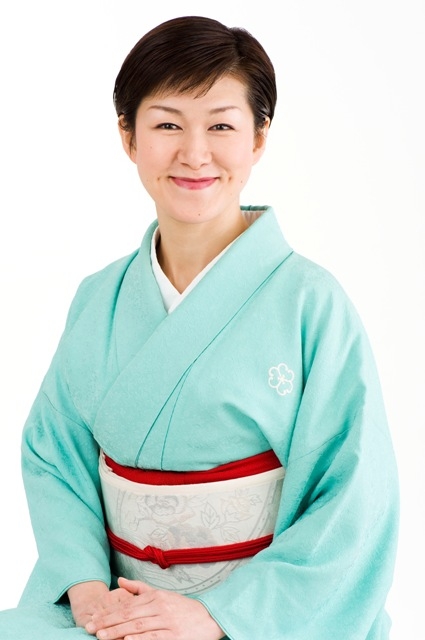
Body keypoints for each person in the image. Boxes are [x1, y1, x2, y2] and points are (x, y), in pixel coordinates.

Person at [0, 15, 398, 640]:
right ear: (128, 136)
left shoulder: (311, 304)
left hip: (263, 619)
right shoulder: (98, 299)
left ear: (259, 137)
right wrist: (87, 589)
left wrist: (215, 615)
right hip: (116, 612)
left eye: (220, 125)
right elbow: (56, 457)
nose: (194, 153)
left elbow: (353, 502)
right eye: (167, 125)